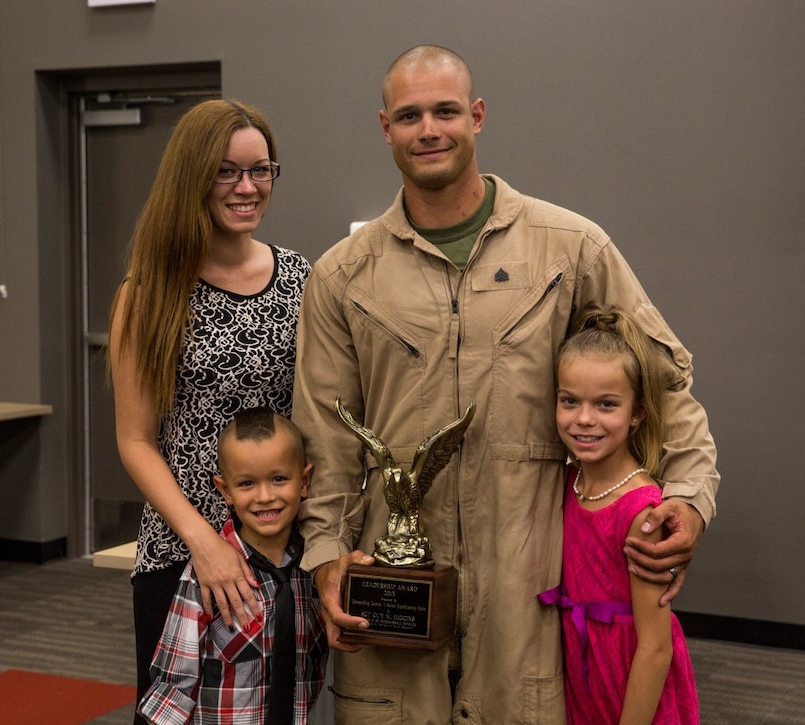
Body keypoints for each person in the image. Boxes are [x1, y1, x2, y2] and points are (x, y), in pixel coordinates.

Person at [291, 44, 718, 723]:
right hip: (394, 594)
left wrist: (690, 500)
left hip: (528, 603)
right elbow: (325, 439)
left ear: (478, 116)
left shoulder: (570, 249)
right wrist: (325, 557)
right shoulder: (344, 275)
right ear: (384, 127)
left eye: (445, 110)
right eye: (408, 115)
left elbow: (666, 387)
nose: (428, 129)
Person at [108, 99, 311, 723]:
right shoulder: (150, 292)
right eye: (226, 172)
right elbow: (136, 441)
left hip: (282, 552)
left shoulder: (303, 279)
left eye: (260, 170)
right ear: (193, 178)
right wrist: (204, 541)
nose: (247, 187)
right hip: (184, 555)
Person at [538, 306, 699, 724]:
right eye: (569, 401)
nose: (584, 419)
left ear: (637, 412)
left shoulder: (641, 512)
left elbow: (655, 648)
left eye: (606, 404)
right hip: (582, 667)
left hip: (629, 682)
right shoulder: (568, 484)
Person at [139, 407, 328, 725]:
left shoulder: (315, 570)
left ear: (305, 481)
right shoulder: (204, 578)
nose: (265, 496)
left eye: (279, 479)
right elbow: (172, 687)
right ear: (225, 490)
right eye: (247, 484)